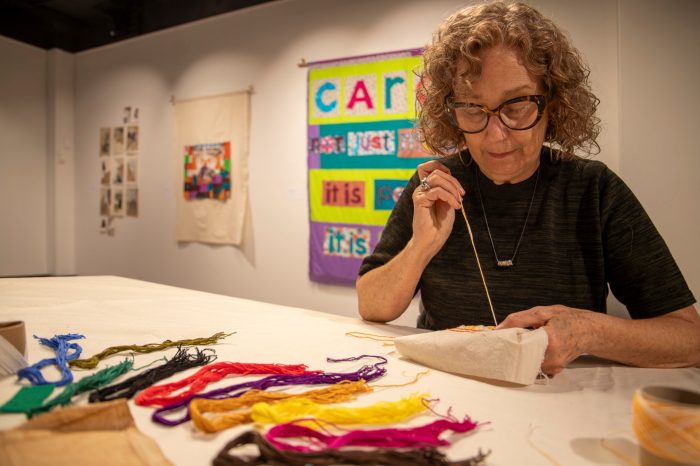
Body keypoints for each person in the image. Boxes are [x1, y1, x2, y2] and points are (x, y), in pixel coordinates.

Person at [356, 1, 700, 375]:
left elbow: (687, 339)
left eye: (517, 104)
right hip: (447, 394)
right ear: (450, 111)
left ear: (552, 102)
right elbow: (373, 307)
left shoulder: (593, 189)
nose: (495, 135)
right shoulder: (435, 184)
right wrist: (421, 246)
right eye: (473, 108)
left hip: (558, 407)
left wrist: (587, 332)